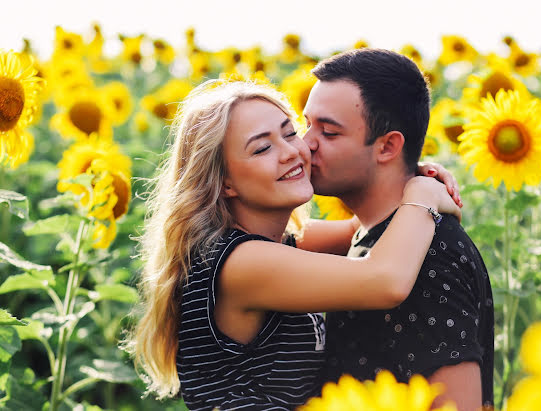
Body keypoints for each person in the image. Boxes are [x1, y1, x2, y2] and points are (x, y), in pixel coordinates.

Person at [125, 79, 462, 410]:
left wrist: (406, 175)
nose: (290, 152)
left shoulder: (278, 243)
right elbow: (387, 280)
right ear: (225, 182)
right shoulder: (241, 263)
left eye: (289, 133)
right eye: (262, 148)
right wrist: (421, 197)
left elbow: (362, 225)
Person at [303, 48, 494, 411]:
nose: (305, 143)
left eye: (327, 132)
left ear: (388, 146)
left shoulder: (431, 254)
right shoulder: (384, 234)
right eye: (306, 124)